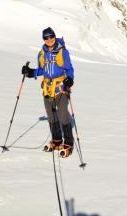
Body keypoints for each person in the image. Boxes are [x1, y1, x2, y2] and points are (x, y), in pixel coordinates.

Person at [22, 27, 75, 157]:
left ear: (54, 37)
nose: (49, 40)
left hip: (61, 88)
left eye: (51, 37)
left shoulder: (63, 52)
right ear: (43, 39)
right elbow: (42, 70)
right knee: (51, 115)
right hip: (47, 88)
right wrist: (30, 72)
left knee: (62, 114)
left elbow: (69, 69)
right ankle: (57, 141)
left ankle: (68, 143)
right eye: (46, 38)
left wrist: (70, 80)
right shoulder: (41, 53)